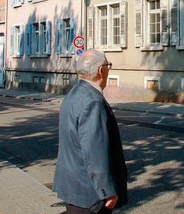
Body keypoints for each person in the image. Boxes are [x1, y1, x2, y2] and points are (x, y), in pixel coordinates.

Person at [53, 50, 128, 213]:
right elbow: (95, 152)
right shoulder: (93, 101)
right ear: (101, 70)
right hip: (90, 195)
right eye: (108, 66)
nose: (108, 70)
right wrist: (106, 192)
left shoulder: (73, 95)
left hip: (73, 189)